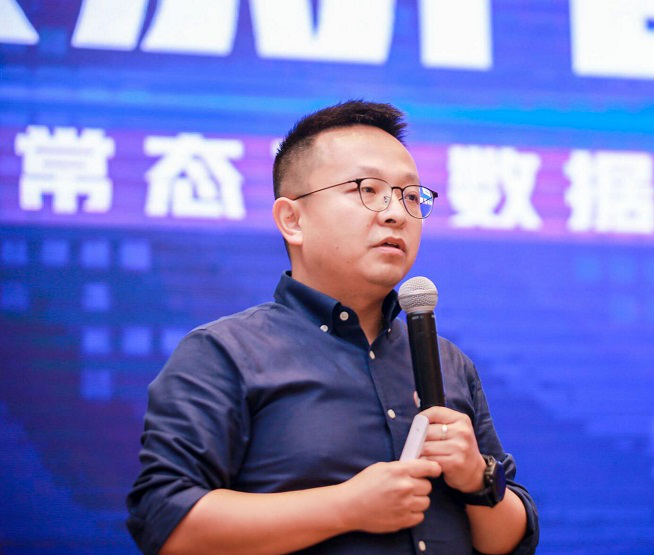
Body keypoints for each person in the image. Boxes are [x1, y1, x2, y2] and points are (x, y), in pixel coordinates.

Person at [127, 100, 539, 554]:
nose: (396, 213)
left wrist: (478, 478)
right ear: (292, 220)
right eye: (367, 189)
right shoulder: (224, 354)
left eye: (410, 196)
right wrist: (347, 507)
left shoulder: (448, 363)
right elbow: (168, 524)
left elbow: (508, 541)